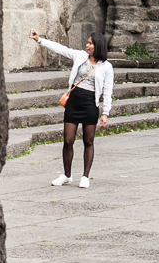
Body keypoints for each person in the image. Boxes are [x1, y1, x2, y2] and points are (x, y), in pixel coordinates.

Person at [29, 28, 114, 188]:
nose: (87, 45)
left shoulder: (106, 67)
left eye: (90, 43)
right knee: (68, 140)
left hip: (90, 104)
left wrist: (105, 113)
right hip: (73, 102)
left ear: (98, 46)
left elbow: (108, 91)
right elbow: (61, 49)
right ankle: (67, 175)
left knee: (88, 141)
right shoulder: (80, 56)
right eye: (88, 42)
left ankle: (85, 176)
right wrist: (39, 40)